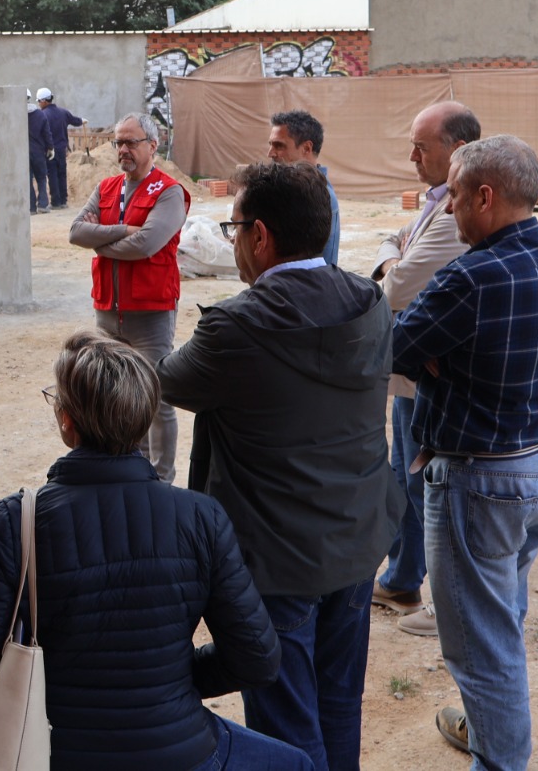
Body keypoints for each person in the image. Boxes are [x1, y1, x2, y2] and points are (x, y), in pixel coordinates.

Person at [0, 330, 306, 771]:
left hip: (54, 755)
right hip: (182, 749)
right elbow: (257, 660)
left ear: (66, 421)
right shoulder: (201, 517)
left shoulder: (15, 521)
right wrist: (170, 680)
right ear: (144, 418)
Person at [157, 161, 398, 771]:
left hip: (276, 561)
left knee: (287, 727)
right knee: (339, 705)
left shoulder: (238, 325)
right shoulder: (368, 300)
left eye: (234, 227)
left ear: (260, 236)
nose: (233, 240)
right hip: (355, 541)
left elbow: (167, 380)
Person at [391, 134, 538, 771]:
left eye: (452, 194)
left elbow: (391, 349)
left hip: (483, 483)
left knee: (483, 647)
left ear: (485, 195)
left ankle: (499, 756)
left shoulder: (470, 277)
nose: (446, 209)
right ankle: (488, 730)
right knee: (498, 621)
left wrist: (436, 358)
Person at [369, 102, 480, 638]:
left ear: (457, 151)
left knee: (424, 485)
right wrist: (395, 254)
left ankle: (442, 599)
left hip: (431, 373)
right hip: (412, 370)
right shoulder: (437, 202)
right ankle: (404, 576)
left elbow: (396, 287)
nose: (412, 156)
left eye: (422, 146)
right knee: (403, 477)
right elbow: (396, 245)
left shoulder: (459, 219)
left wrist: (392, 260)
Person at [68, 112, 188, 482]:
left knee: (156, 399)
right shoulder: (105, 188)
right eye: (119, 142)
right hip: (108, 313)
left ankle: (161, 479)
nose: (123, 149)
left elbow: (148, 244)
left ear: (152, 146)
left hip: (150, 313)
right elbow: (75, 232)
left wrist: (101, 242)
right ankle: (126, 469)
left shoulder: (169, 191)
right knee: (113, 395)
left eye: (131, 142)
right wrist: (122, 230)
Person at [268, 110, 340, 266]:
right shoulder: (294, 190)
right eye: (271, 145)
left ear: (307, 148)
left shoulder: (315, 197)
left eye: (279, 146)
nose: (271, 153)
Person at [36, 87, 85, 210]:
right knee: (62, 174)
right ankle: (63, 201)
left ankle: (56, 202)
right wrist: (82, 121)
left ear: (44, 101)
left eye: (39, 101)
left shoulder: (43, 115)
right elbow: (75, 121)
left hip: (49, 150)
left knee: (52, 175)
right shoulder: (63, 112)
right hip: (62, 149)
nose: (38, 104)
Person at [27, 90, 54, 214]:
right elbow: (46, 133)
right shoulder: (39, 114)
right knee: (41, 179)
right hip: (38, 152)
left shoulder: (16, 114)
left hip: (23, 153)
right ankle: (43, 205)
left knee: (27, 180)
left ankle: (31, 208)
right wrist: (50, 148)